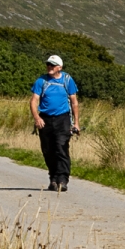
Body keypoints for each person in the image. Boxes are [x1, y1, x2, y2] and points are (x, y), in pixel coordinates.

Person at [30, 54, 82, 192]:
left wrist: (76, 123)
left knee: (61, 147)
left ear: (60, 67)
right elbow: (34, 101)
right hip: (45, 119)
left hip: (63, 119)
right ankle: (53, 178)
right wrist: (37, 118)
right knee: (48, 150)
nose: (49, 67)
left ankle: (63, 179)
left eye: (52, 65)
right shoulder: (41, 81)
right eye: (48, 64)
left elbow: (74, 102)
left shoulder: (67, 80)